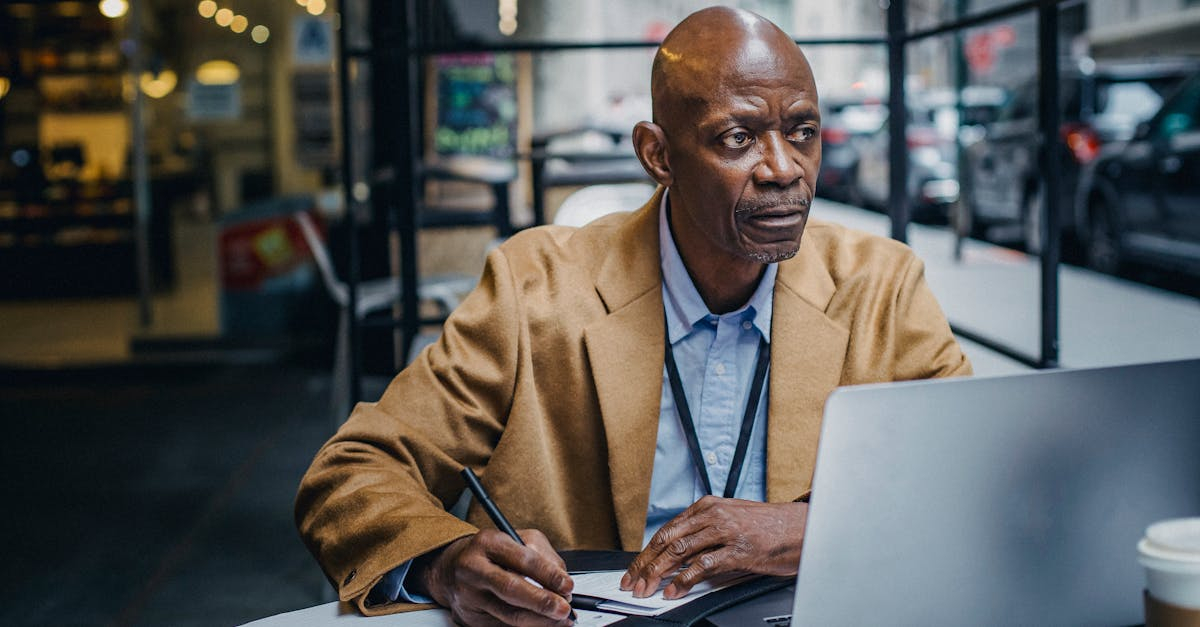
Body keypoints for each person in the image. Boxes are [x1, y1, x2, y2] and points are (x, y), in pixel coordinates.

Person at [295, 6, 971, 625]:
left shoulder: (882, 286)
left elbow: (973, 481)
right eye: (738, 138)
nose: (783, 169)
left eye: (802, 133)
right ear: (658, 155)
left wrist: (811, 529)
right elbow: (352, 472)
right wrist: (445, 564)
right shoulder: (534, 289)